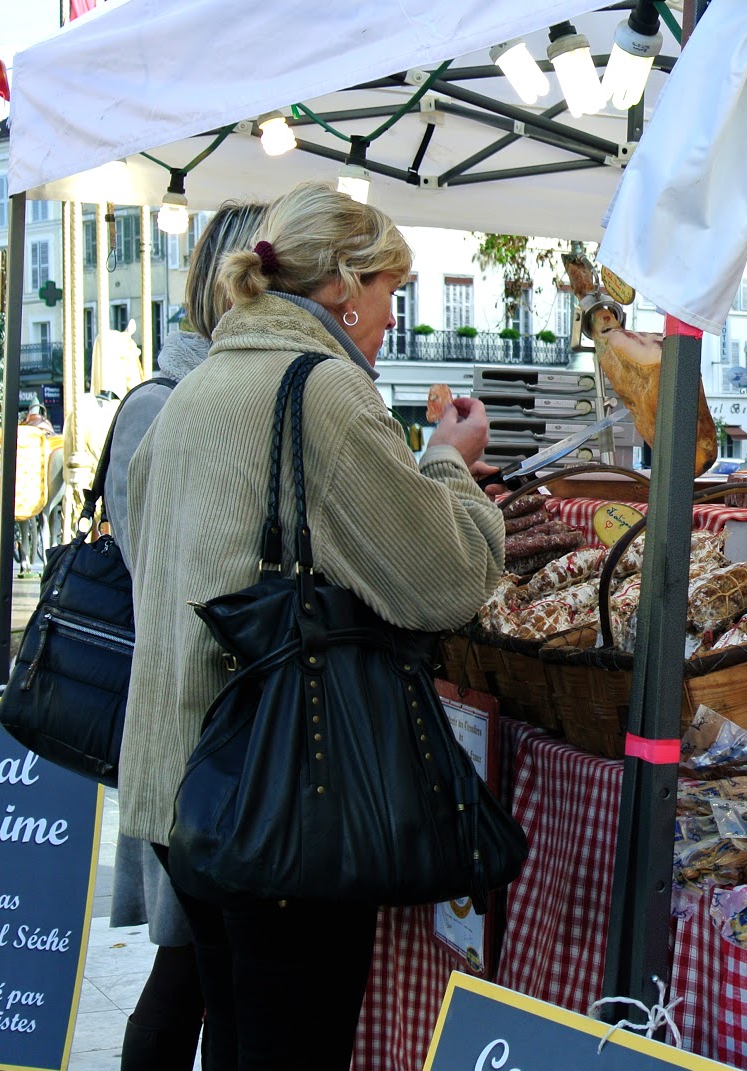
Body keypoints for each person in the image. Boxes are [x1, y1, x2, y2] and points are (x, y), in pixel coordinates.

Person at [118, 181, 507, 1071]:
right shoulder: (322, 388)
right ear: (344, 285)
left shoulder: (197, 384)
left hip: (188, 791)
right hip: (283, 791)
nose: (390, 320)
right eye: (390, 294)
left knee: (238, 1036)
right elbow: (444, 581)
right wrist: (449, 464)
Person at [102, 199, 266, 1071]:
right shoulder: (164, 405)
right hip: (187, 722)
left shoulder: (222, 395)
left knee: (198, 974)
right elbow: (159, 582)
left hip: (209, 733)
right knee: (186, 975)